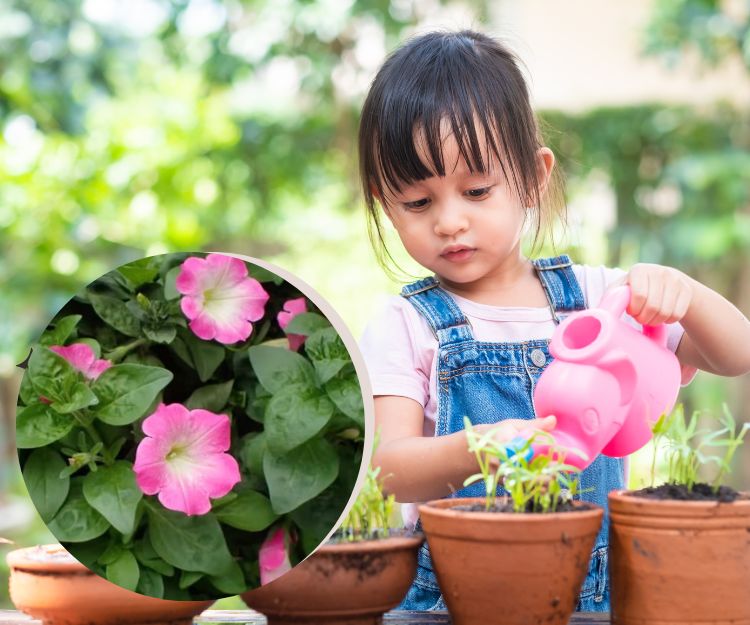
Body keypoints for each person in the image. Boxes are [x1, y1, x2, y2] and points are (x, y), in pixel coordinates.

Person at [357, 29, 750, 612]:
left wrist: (684, 293)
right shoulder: (406, 323)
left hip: (595, 602)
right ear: (384, 202)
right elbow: (389, 470)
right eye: (418, 202)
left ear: (534, 177)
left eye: (477, 189)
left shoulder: (600, 299)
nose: (449, 222)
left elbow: (736, 354)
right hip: (452, 607)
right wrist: (488, 446)